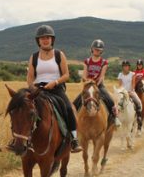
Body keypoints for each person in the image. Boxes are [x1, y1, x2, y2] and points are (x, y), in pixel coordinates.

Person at [27, 25, 82, 153]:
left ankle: (74, 139)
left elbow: (66, 75)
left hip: (56, 88)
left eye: (48, 38)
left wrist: (55, 82)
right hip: (39, 89)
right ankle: (21, 140)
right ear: (38, 41)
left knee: (68, 108)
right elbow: (30, 78)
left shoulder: (59, 54)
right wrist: (32, 88)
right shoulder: (34, 57)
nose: (45, 40)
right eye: (42, 38)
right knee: (23, 107)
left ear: (52, 40)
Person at [73, 39, 120, 126]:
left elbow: (102, 77)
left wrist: (96, 83)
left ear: (101, 51)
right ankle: (73, 120)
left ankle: (115, 117)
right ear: (92, 49)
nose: (97, 51)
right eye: (95, 49)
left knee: (110, 101)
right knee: (75, 102)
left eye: (99, 50)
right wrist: (88, 81)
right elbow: (84, 75)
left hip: (99, 85)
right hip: (88, 85)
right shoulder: (87, 61)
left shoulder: (104, 62)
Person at [116, 61, 143, 129]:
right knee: (116, 104)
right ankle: (115, 119)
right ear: (122, 67)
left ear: (129, 67)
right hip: (122, 92)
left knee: (138, 102)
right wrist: (122, 91)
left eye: (127, 66)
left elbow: (133, 83)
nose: (126, 67)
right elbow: (120, 84)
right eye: (124, 66)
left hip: (130, 91)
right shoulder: (120, 74)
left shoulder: (132, 74)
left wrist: (131, 90)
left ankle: (139, 117)